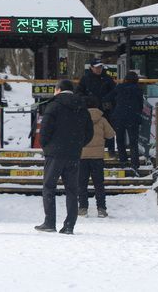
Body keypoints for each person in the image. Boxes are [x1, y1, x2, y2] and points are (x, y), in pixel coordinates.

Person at [35, 79, 93, 235]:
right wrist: (78, 145)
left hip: (55, 153)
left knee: (49, 187)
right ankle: (69, 225)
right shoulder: (82, 107)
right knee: (72, 190)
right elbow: (89, 133)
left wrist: (47, 146)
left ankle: (49, 222)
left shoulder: (53, 105)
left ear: (58, 90)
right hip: (74, 154)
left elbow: (44, 131)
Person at [78, 96, 115, 218]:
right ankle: (101, 208)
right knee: (99, 184)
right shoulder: (102, 120)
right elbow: (110, 134)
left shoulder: (80, 119)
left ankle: (83, 208)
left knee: (81, 183)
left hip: (82, 156)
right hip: (98, 157)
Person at [76, 59, 117, 155]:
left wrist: (106, 99)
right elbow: (78, 93)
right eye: (97, 67)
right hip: (89, 110)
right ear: (91, 68)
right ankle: (87, 150)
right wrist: (88, 99)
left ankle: (110, 150)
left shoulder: (107, 79)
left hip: (105, 110)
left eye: (100, 67)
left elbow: (115, 92)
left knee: (108, 130)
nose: (99, 69)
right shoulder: (85, 79)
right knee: (89, 131)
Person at [104, 71, 143, 170]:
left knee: (120, 139)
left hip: (119, 117)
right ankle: (135, 164)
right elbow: (140, 104)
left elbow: (108, 97)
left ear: (125, 79)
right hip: (133, 118)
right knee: (133, 142)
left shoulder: (119, 87)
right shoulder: (138, 89)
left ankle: (123, 160)